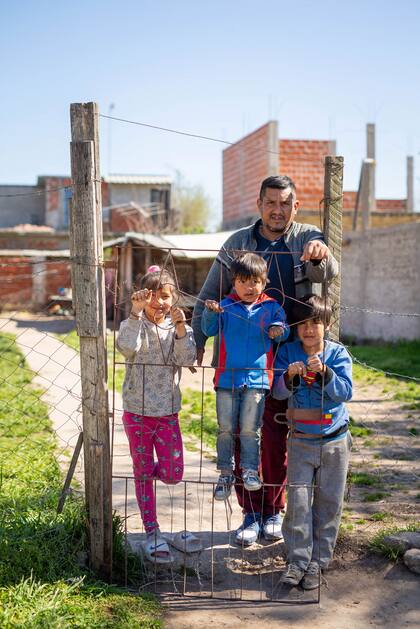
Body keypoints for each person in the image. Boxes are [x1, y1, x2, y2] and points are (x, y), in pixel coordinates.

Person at [192, 175, 338, 545]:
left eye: (285, 203)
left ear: (295, 207)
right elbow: (209, 294)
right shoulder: (237, 243)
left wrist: (320, 254)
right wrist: (196, 339)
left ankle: (273, 510)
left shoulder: (306, 236)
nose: (278, 210)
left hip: (288, 354)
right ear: (259, 205)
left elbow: (328, 268)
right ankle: (249, 514)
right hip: (244, 358)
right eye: (271, 203)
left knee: (275, 436)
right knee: (244, 434)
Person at [116, 266, 197, 563]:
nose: (159, 302)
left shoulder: (180, 328)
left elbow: (187, 358)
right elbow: (127, 348)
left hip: (167, 413)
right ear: (142, 297)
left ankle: (146, 476)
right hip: (137, 413)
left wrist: (179, 329)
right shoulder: (133, 323)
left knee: (174, 473)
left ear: (173, 298)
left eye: (165, 296)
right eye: (151, 296)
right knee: (141, 472)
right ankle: (152, 530)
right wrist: (135, 313)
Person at [273, 294, 352, 589]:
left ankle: (318, 562)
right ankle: (297, 561)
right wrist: (289, 378)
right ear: (295, 327)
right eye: (303, 323)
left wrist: (326, 373)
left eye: (315, 323)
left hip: (335, 441)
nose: (308, 329)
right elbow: (278, 393)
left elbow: (345, 393)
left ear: (327, 325)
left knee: (329, 502)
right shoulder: (287, 353)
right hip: (300, 442)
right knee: (298, 503)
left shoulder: (339, 354)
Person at [201, 253, 289, 500]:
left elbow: (284, 331)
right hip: (226, 380)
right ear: (233, 282)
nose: (249, 287)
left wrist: (277, 329)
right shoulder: (226, 306)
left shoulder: (271, 307)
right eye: (243, 281)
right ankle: (225, 473)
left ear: (264, 282)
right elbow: (208, 330)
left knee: (251, 429)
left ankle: (250, 470)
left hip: (258, 380)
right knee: (226, 428)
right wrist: (211, 313)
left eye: (255, 281)